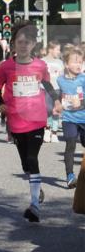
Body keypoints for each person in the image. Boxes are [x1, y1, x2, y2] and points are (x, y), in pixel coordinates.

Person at [0, 25, 63, 222]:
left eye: (27, 42)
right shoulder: (5, 66)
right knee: (25, 164)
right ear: (13, 44)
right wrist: (0, 104)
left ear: (33, 44)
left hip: (37, 118)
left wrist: (56, 100)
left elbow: (47, 84)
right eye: (19, 42)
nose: (23, 46)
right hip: (16, 119)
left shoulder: (39, 65)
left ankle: (35, 206)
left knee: (32, 158)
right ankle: (36, 186)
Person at [56, 47, 85, 188]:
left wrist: (81, 102)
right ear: (67, 64)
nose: (79, 64)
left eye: (81, 61)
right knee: (70, 145)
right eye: (75, 61)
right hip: (69, 119)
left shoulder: (84, 79)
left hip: (84, 118)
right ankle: (70, 176)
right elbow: (57, 96)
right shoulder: (60, 80)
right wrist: (56, 107)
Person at [43, 41, 64, 142]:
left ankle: (54, 132)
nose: (59, 52)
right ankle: (47, 130)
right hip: (45, 89)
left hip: (57, 89)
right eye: (57, 49)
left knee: (56, 110)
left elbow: (63, 76)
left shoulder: (60, 62)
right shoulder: (43, 61)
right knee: (48, 110)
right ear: (50, 50)